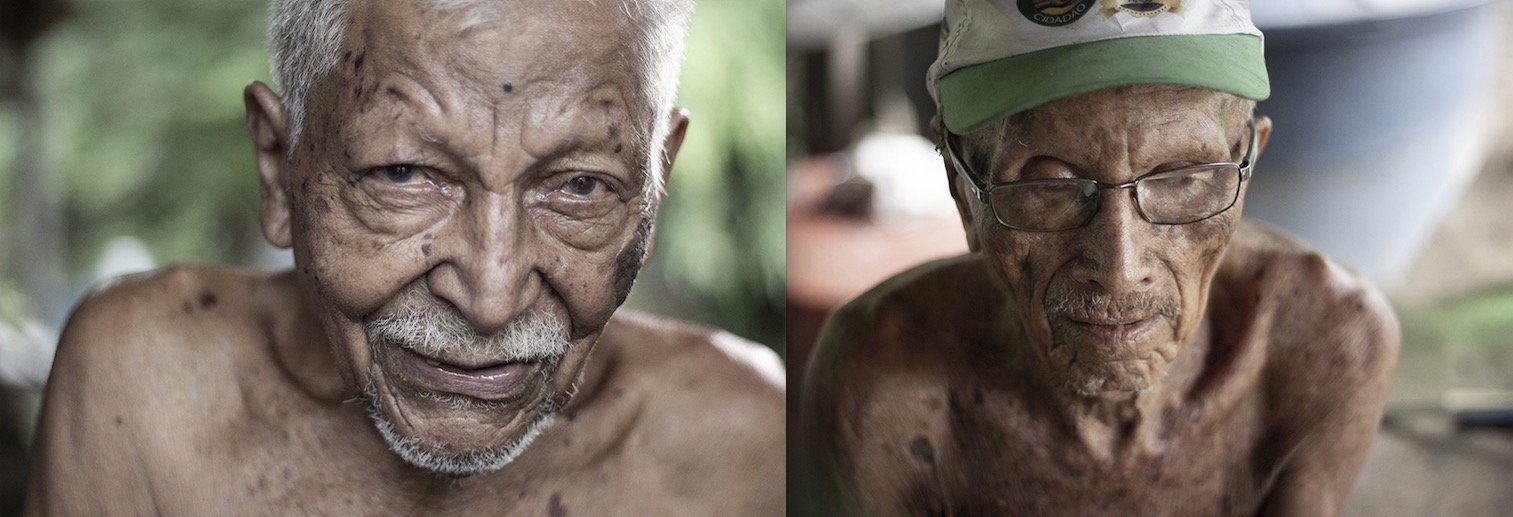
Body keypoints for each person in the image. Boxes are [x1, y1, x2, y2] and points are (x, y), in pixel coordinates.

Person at [25, 0, 785, 514]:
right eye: (403, 174)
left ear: (655, 188)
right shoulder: (143, 390)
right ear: (278, 168)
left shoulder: (744, 445)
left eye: (580, 185)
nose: (490, 295)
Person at [800, 1, 1398, 515]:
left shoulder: (1333, 343)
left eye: (1183, 176)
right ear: (962, 186)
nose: (1119, 266)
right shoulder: (883, 386)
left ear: (1247, 162)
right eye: (1050, 185)